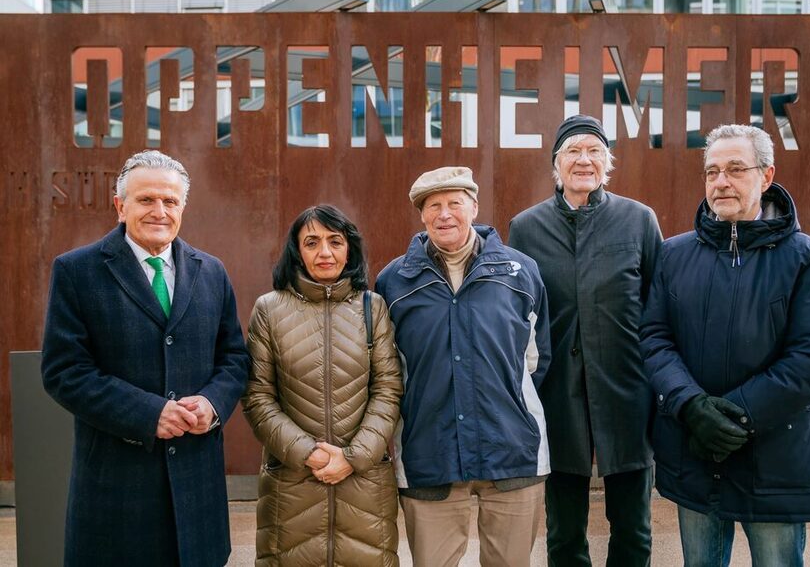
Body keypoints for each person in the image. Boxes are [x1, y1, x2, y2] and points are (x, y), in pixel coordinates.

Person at [640, 124, 810, 566]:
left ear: (766, 176)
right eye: (711, 172)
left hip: (774, 458)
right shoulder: (674, 255)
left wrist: (734, 417)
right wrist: (691, 407)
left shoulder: (805, 257)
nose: (721, 182)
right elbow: (655, 338)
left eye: (734, 169)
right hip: (694, 452)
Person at [41, 150, 249, 566]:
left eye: (170, 201)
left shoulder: (211, 271)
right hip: (117, 495)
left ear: (183, 208)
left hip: (196, 495)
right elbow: (64, 371)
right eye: (146, 199)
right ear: (120, 206)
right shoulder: (77, 271)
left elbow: (234, 358)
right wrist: (149, 413)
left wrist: (212, 403)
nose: (160, 211)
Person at [375, 166, 552, 567]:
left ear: (474, 206)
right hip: (429, 451)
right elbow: (388, 369)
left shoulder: (520, 272)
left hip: (511, 447)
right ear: (421, 215)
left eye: (455, 203)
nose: (445, 214)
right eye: (433, 205)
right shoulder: (394, 281)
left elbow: (537, 359)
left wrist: (505, 402)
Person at [508, 115, 662, 566]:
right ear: (556, 164)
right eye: (573, 151)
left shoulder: (638, 220)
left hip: (628, 390)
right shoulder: (526, 227)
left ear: (606, 163)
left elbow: (657, 307)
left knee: (634, 528)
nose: (583, 160)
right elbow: (520, 314)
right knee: (564, 531)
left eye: (594, 151)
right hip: (557, 395)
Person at [242, 205, 402, 566]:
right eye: (312, 242)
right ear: (296, 250)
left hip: (364, 486)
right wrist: (308, 453)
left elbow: (388, 389)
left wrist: (353, 457)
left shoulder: (371, 307)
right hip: (293, 483)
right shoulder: (269, 309)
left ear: (350, 249)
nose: (325, 252)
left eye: (335, 241)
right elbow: (257, 397)